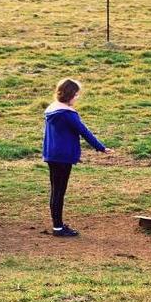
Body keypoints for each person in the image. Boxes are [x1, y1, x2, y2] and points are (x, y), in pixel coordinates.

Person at [42, 78, 111, 237]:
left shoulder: (51, 110)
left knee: (55, 191)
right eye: (76, 95)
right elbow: (84, 131)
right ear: (70, 94)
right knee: (59, 192)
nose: (77, 98)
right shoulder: (68, 114)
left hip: (52, 155)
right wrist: (101, 147)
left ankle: (57, 225)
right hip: (63, 157)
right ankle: (58, 228)